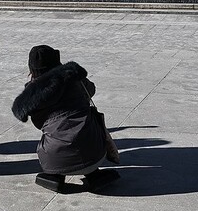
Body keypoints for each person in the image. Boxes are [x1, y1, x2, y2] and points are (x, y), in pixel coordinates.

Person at [11, 45, 119, 193]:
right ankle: (94, 174)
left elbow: (37, 122)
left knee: (55, 135)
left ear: (32, 69)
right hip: (93, 152)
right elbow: (91, 90)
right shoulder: (74, 78)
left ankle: (55, 177)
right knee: (86, 130)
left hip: (54, 159)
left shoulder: (32, 95)